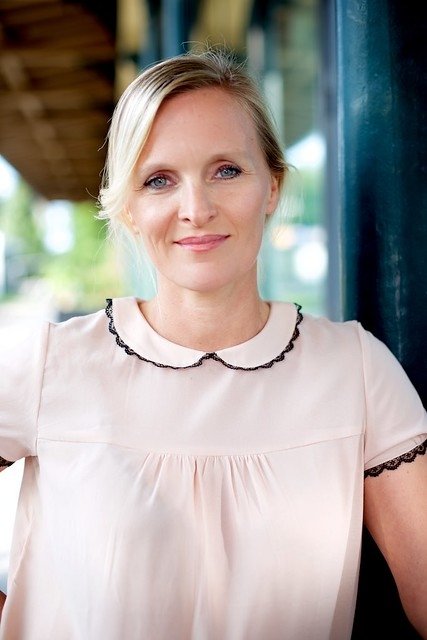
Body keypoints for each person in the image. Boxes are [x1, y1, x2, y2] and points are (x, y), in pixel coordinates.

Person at [0, 48, 426, 640]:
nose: (196, 210)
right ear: (129, 207)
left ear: (272, 186)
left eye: (226, 170)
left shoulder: (355, 370)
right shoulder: (52, 363)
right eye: (158, 180)